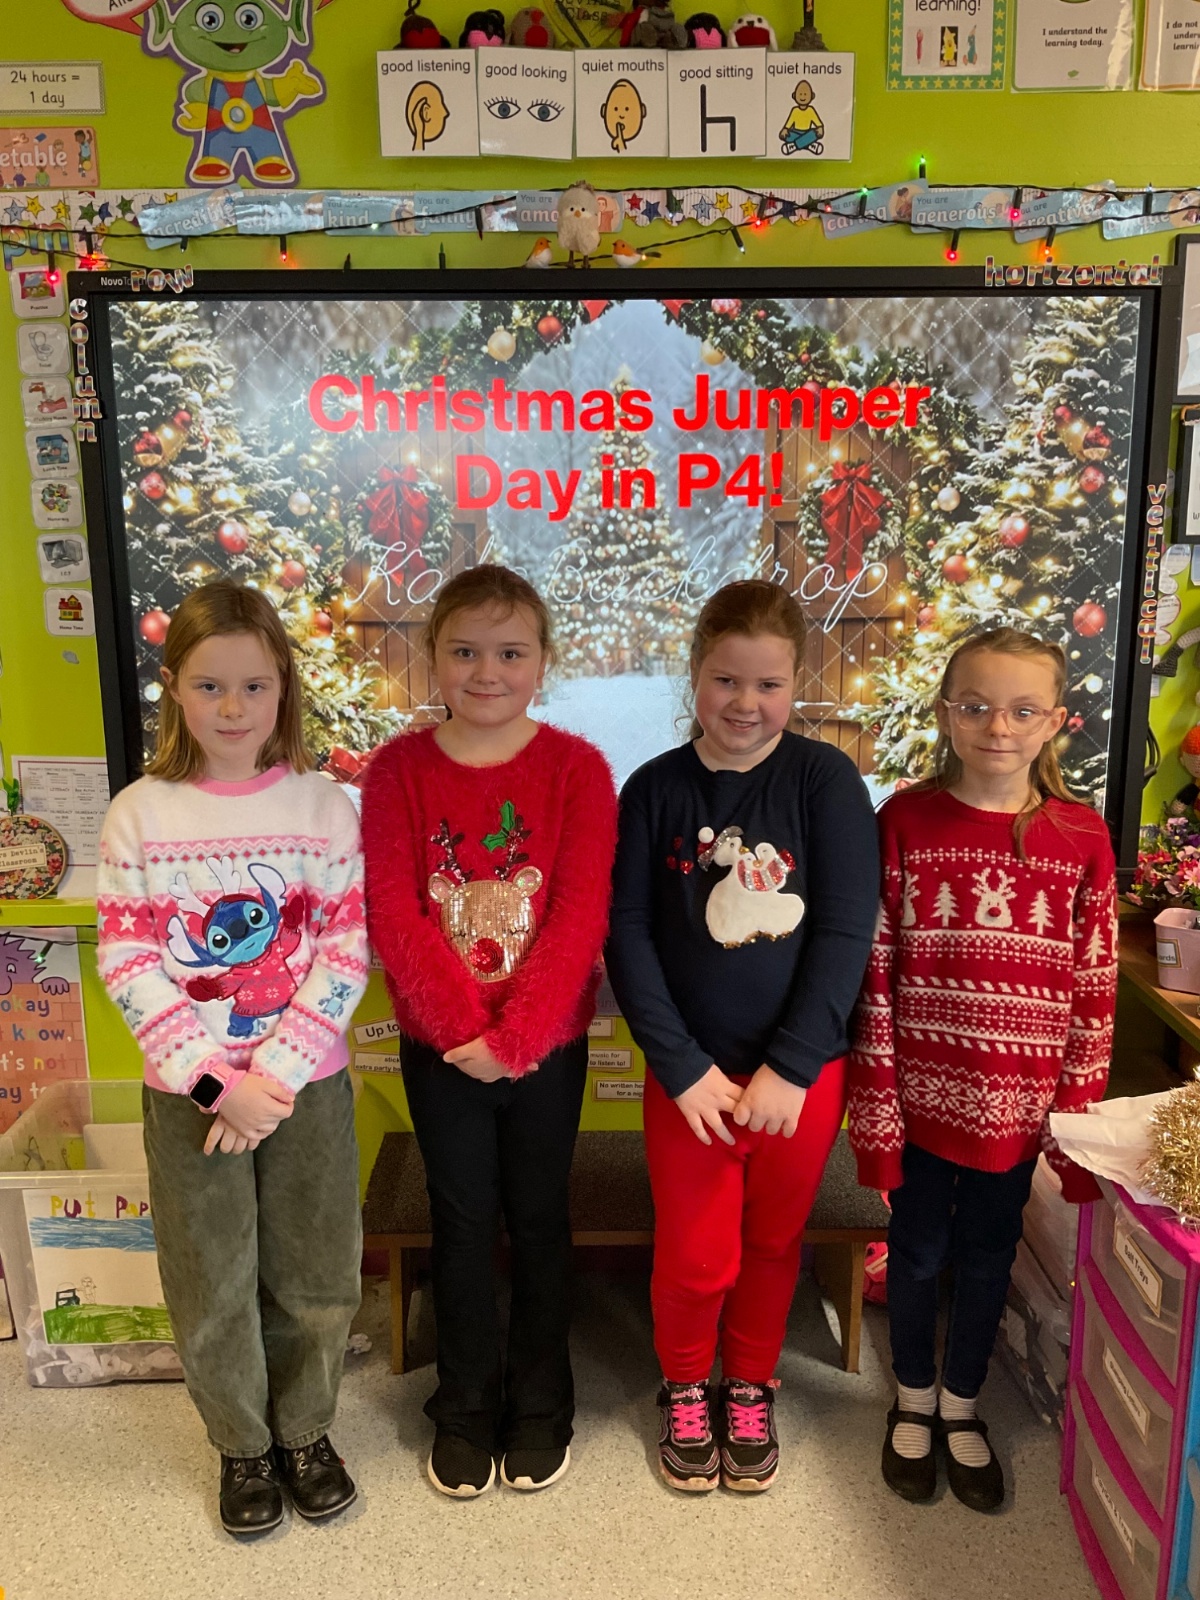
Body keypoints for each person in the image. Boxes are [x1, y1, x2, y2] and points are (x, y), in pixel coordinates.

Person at [97, 581, 369, 1537]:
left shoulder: (322, 807)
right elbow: (128, 962)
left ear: (282, 687)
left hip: (306, 1090)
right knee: (210, 1274)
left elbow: (344, 952)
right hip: (191, 1097)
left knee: (317, 1269)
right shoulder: (139, 813)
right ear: (173, 687)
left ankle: (307, 1432)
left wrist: (273, 1081)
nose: (232, 707)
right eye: (210, 686)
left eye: (254, 686)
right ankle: (243, 1445)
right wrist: (217, 1084)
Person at [606, 580, 879, 1493]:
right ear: (695, 674)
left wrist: (792, 1065)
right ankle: (687, 1384)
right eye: (726, 680)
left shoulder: (824, 781)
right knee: (695, 1253)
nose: (745, 703)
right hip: (691, 1080)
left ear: (797, 683)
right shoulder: (653, 789)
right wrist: (681, 1068)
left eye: (769, 685)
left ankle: (750, 1382)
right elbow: (628, 935)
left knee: (770, 1242)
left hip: (800, 1079)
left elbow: (844, 929)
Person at [362, 565, 616, 1500]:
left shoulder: (577, 770)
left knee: (540, 1218)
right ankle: (464, 1406)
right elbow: (396, 912)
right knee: (462, 1221)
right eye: (465, 651)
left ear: (543, 662)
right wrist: (461, 1031)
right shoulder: (398, 771)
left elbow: (580, 916)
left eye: (510, 653)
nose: (486, 671)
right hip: (442, 1048)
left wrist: (517, 1038)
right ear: (433, 658)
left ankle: (541, 1404)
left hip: (545, 1045)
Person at [849, 627, 1117, 1513]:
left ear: (1055, 721)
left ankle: (963, 1403)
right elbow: (875, 975)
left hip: (1020, 1110)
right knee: (917, 1252)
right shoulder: (906, 821)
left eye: (1021, 710)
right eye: (976, 706)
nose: (998, 727)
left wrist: (1075, 1119)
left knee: (989, 1254)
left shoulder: (1080, 836)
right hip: (922, 1100)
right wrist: (878, 1112)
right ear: (946, 713)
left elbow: (1094, 985)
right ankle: (913, 1397)